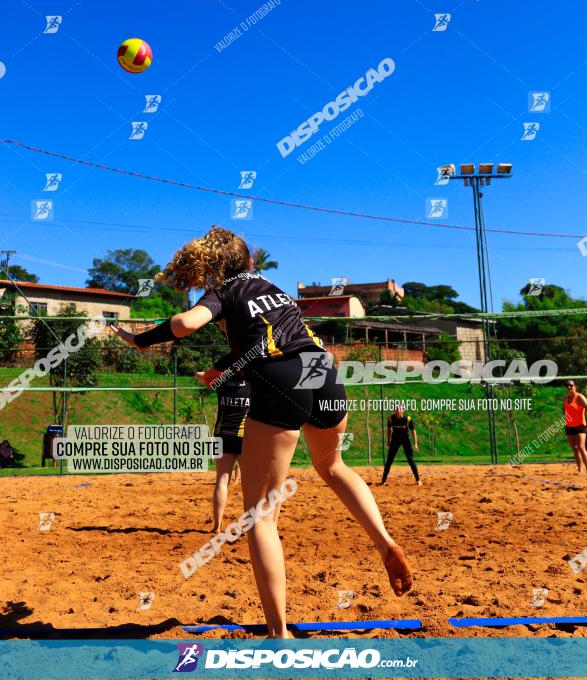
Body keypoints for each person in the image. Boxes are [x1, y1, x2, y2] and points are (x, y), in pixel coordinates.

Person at [111, 226, 412, 638]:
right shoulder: (272, 287)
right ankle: (384, 542)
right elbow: (263, 343)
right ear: (252, 263)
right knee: (335, 466)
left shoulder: (224, 292)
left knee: (261, 515)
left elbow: (184, 323)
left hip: (282, 379)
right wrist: (220, 370)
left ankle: (279, 634)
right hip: (323, 371)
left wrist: (142, 340)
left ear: (213, 271)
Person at [195, 342, 251, 533]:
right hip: (244, 438)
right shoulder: (254, 385)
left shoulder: (222, 383)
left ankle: (217, 526)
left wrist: (215, 373)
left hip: (222, 436)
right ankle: (251, 526)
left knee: (221, 481)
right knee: (249, 485)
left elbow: (201, 376)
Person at [380, 405, 421, 486]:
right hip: (395, 439)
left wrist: (415, 443)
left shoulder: (408, 419)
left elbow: (413, 431)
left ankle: (418, 480)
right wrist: (388, 440)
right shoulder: (391, 418)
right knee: (389, 459)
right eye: (396, 409)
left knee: (410, 459)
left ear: (403, 410)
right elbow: (389, 429)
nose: (397, 410)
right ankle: (383, 480)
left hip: (405, 438)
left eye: (399, 409)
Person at [563, 380, 587, 473]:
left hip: (580, 426)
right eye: (567, 386)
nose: (569, 387)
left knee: (581, 447)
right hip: (569, 426)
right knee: (575, 448)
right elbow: (564, 411)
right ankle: (580, 469)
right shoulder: (566, 399)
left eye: (571, 385)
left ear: (575, 386)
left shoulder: (579, 397)